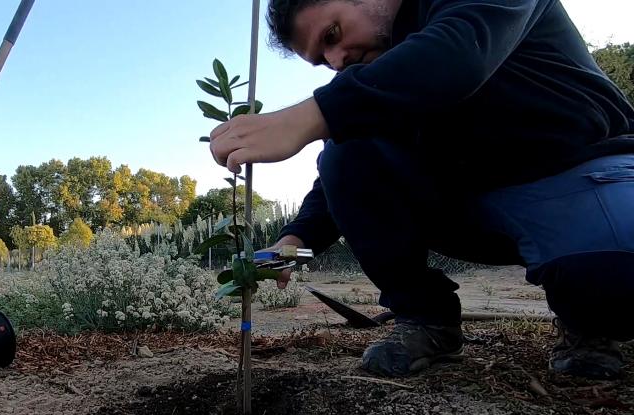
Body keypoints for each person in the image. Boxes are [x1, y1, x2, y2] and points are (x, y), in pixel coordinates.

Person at [208, 0, 634, 379]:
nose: (338, 61)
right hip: (475, 203)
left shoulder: (459, 20)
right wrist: (295, 238)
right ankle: (425, 319)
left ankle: (590, 323)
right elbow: (346, 171)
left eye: (333, 35)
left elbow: (457, 54)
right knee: (345, 152)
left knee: (612, 284)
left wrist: (305, 116)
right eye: (323, 59)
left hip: (581, 173)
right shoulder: (380, 80)